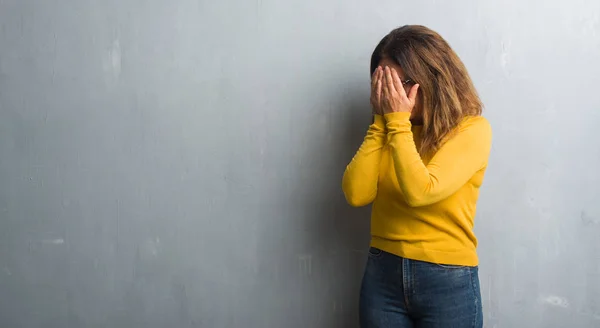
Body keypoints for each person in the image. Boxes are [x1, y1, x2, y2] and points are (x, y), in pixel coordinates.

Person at [342, 25, 492, 328]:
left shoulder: (472, 130)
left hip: (447, 278)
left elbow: (421, 191)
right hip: (382, 273)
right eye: (384, 84)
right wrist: (382, 123)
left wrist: (395, 123)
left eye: (402, 83)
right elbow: (356, 194)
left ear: (433, 79)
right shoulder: (392, 128)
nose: (392, 95)